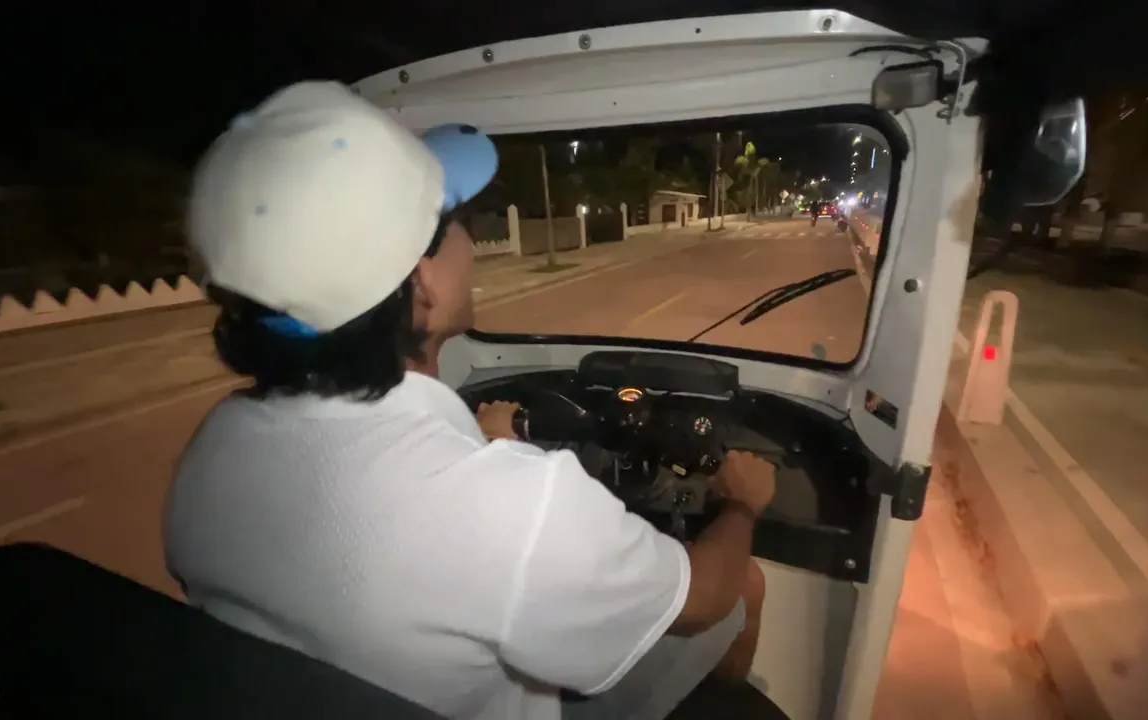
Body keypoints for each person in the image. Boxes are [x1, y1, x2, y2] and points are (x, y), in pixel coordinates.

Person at [163, 80, 773, 720]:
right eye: (456, 220)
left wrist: (480, 453)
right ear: (420, 284)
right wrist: (741, 504)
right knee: (742, 588)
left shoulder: (212, 449)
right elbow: (698, 598)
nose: (471, 240)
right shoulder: (508, 502)